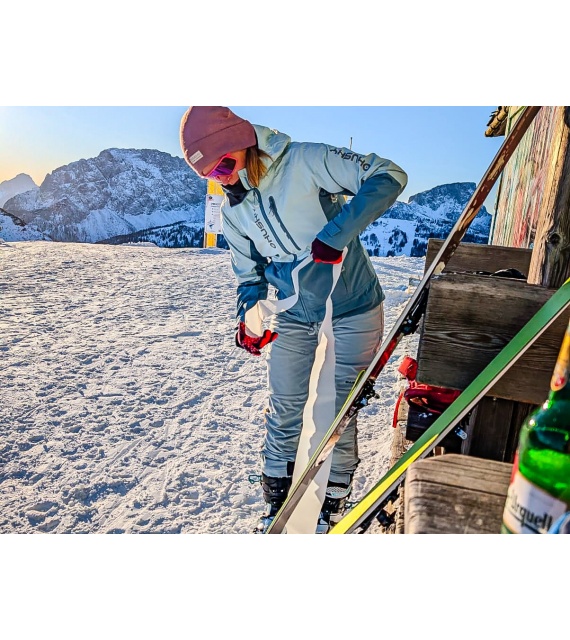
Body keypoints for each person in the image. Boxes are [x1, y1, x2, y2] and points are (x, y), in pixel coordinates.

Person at [180, 106, 408, 533]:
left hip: (352, 307)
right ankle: (277, 502)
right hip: (296, 313)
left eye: (224, 166)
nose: (222, 179)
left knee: (337, 408)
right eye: (209, 176)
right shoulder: (233, 210)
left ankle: (333, 502)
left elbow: (389, 175)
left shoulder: (303, 161)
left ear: (242, 143)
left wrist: (335, 236)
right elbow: (249, 276)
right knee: (285, 405)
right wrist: (249, 316)